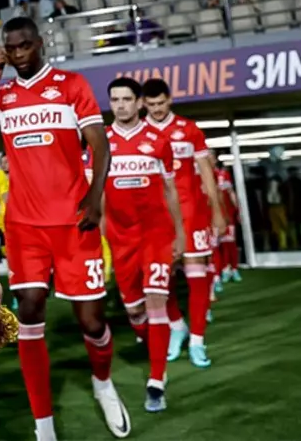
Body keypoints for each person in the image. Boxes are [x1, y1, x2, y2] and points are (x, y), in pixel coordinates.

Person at [0, 17, 131, 440]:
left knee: (92, 322)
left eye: (25, 45)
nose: (18, 54)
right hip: (25, 226)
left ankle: (103, 383)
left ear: (40, 43)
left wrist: (94, 198)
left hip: (73, 222)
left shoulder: (71, 85)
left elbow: (100, 144)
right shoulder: (3, 96)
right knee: (29, 311)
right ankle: (44, 426)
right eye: (11, 48)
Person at [100, 79, 185, 415]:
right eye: (115, 99)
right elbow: (97, 193)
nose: (121, 105)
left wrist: (179, 233)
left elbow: (171, 191)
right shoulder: (101, 142)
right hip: (120, 240)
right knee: (135, 311)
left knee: (156, 302)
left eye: (127, 99)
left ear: (139, 103)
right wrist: (101, 236)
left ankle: (156, 381)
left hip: (155, 236)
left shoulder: (159, 141)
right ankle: (155, 344)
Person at [139, 79, 226, 368]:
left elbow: (206, 172)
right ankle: (177, 326)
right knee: (161, 278)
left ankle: (198, 341)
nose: (157, 109)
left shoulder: (189, 130)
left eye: (161, 103)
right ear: (143, 104)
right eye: (151, 104)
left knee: (196, 274)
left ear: (170, 100)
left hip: (192, 214)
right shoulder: (140, 133)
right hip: (157, 217)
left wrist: (217, 210)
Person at [215, 164, 242, 285]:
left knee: (230, 242)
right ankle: (224, 269)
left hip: (228, 214)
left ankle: (234, 269)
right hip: (214, 216)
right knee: (219, 245)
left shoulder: (223, 174)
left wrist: (238, 210)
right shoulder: (204, 175)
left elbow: (231, 193)